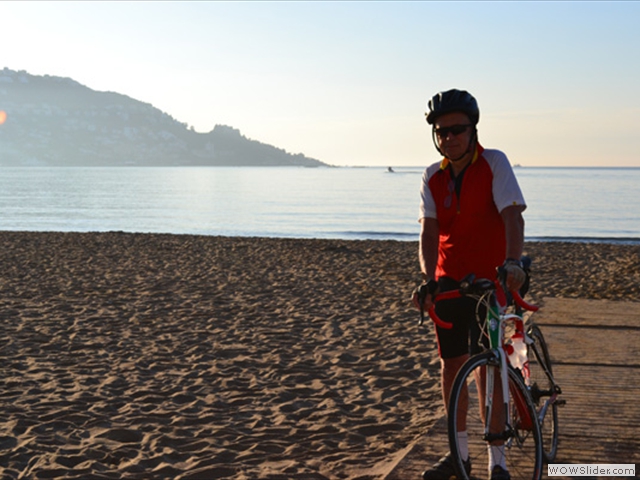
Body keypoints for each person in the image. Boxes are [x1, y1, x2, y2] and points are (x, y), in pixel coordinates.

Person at [413, 89, 527, 480]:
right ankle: (459, 455)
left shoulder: (494, 163)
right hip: (449, 283)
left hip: (491, 281)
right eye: (442, 132)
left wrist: (512, 263)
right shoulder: (433, 175)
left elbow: (513, 218)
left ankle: (499, 460)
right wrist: (428, 282)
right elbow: (428, 234)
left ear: (473, 129)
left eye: (457, 130)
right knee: (452, 367)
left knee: (490, 367)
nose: (449, 138)